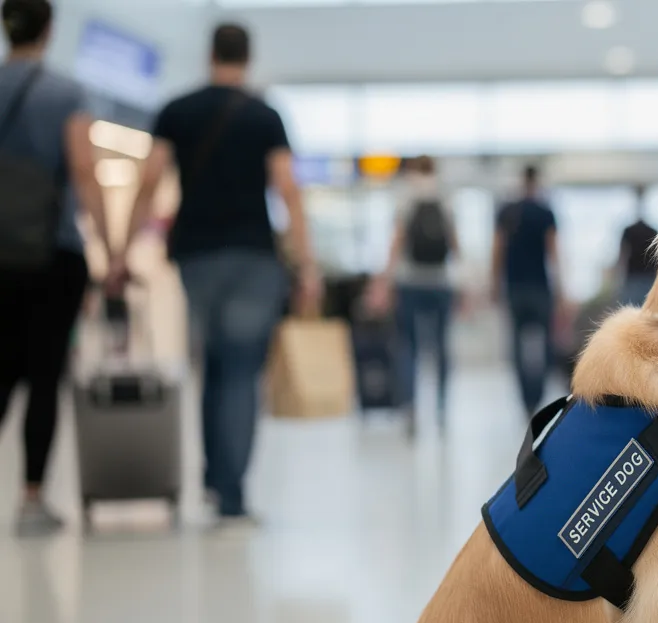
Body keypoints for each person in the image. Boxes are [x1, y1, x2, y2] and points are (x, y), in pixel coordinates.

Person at [115, 22, 321, 528]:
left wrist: (121, 249)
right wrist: (306, 261)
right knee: (240, 373)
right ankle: (230, 496)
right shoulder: (265, 116)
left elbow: (149, 179)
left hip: (198, 256)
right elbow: (287, 190)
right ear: (247, 58)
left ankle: (213, 479)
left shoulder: (177, 110)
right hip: (252, 257)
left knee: (212, 364)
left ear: (210, 55)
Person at [0, 0, 113, 537]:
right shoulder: (65, 93)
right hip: (52, 253)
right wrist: (110, 249)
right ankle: (30, 499)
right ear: (49, 29)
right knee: (44, 378)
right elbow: (84, 173)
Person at [365, 156, 459, 434]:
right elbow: (454, 242)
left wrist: (384, 281)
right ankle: (442, 408)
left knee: (409, 346)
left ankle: (410, 408)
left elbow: (396, 242)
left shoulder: (404, 197)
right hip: (441, 282)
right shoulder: (445, 197)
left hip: (409, 282)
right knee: (441, 346)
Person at [491, 165, 562, 415]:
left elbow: (497, 250)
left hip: (514, 287)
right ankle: (538, 393)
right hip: (540, 287)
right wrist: (561, 289)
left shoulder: (507, 211)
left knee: (517, 344)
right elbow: (553, 253)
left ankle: (525, 399)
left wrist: (494, 284)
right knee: (545, 344)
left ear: (522, 180)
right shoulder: (545, 212)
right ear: (537, 181)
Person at [614, 185, 658, 306]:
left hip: (633, 280)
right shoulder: (652, 231)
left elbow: (622, 256)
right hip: (647, 280)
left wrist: (619, 280)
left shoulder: (629, 230)